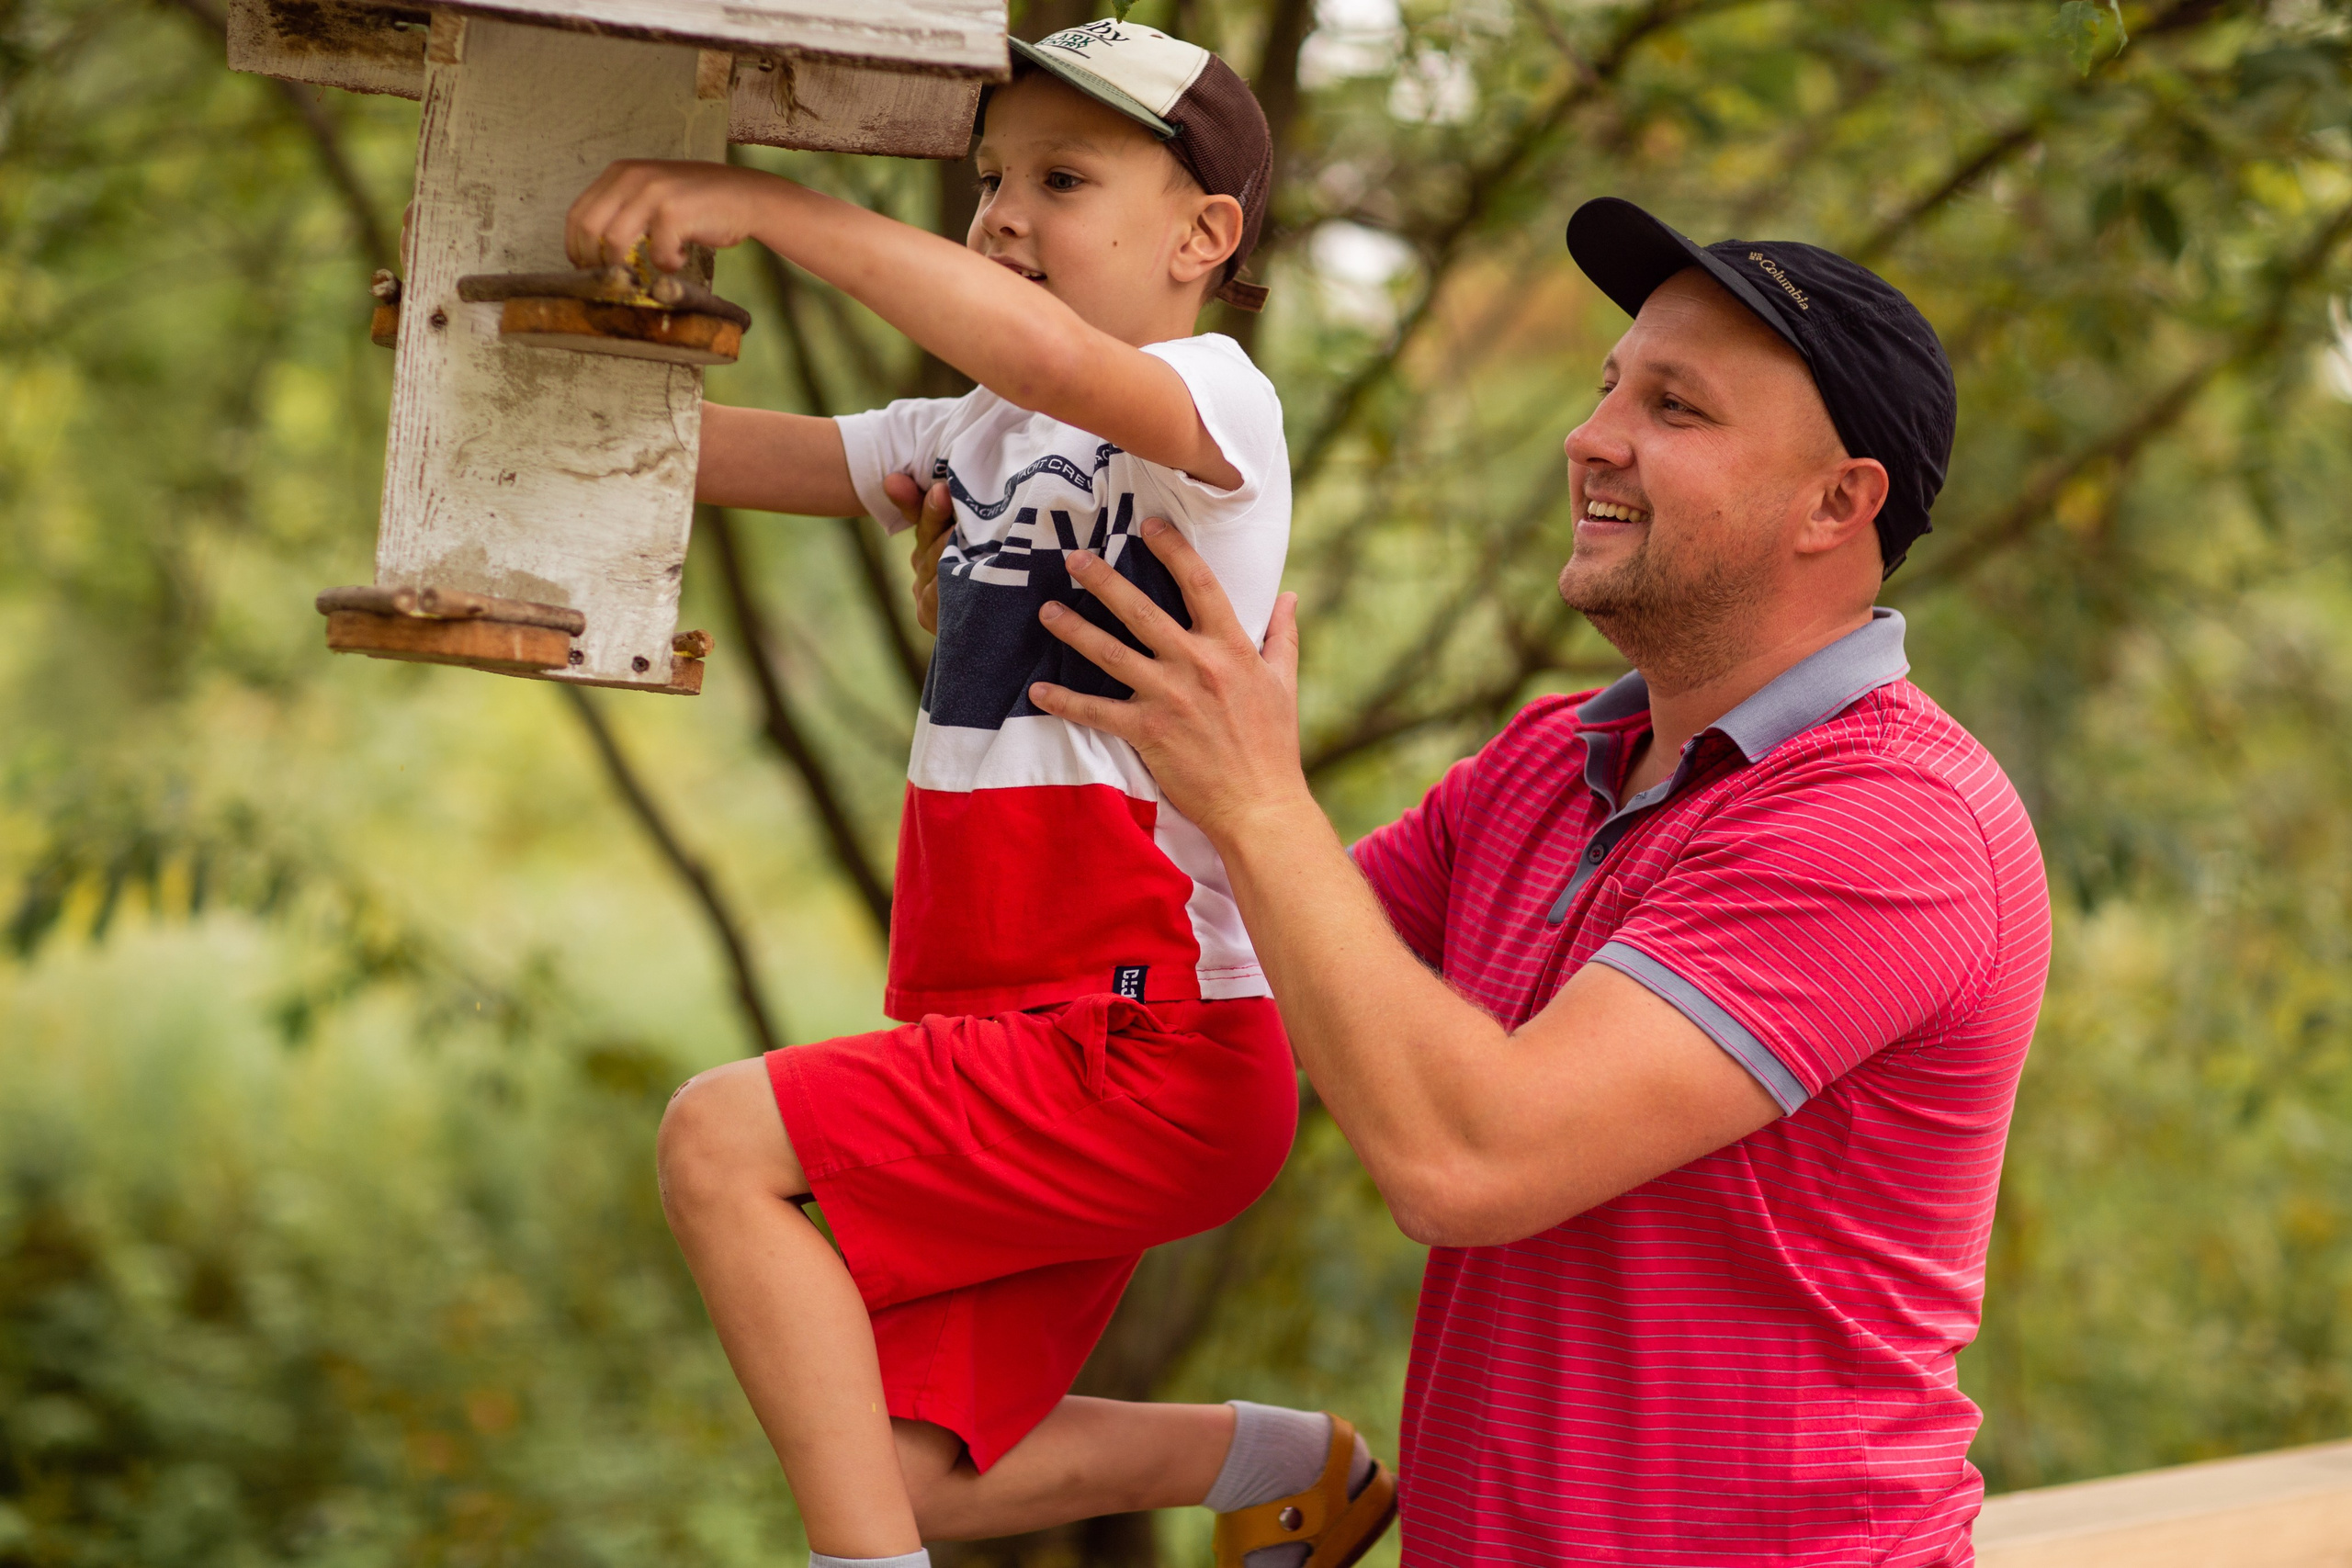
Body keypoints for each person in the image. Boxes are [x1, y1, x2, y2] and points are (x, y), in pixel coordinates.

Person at [953, 197, 2053, 1564]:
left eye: (1675, 407)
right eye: (1609, 387)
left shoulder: (1892, 823)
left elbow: (1469, 1160)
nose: (1592, 436)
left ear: (1839, 503)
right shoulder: (1548, 762)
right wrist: (1010, 606)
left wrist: (1257, 795)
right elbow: (1215, 981)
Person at [575, 21, 1396, 1568]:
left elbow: (1052, 357)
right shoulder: (976, 429)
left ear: (1204, 237)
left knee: (717, 1143)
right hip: (1019, 1024)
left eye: (1060, 181)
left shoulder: (1215, 406)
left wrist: (773, 207)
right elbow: (712, 453)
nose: (1004, 216)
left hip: (1148, 1035)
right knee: (900, 1467)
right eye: (989, 180)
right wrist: (497, 368)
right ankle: (1282, 1465)